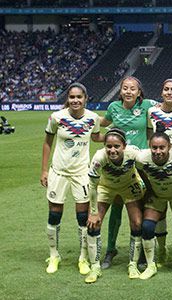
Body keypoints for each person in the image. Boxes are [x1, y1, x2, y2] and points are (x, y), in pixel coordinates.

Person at [41, 83, 102, 275]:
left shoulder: (92, 118)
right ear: (68, 98)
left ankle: (83, 258)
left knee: (82, 217)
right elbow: (47, 143)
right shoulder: (57, 118)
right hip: (58, 172)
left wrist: (121, 129)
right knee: (54, 214)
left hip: (82, 173)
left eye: (79, 97)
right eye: (72, 97)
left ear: (85, 98)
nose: (75, 100)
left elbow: (97, 137)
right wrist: (44, 171)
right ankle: (54, 255)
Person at [99, 76, 156, 269]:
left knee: (138, 209)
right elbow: (101, 124)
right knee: (116, 207)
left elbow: (168, 102)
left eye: (133, 88)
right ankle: (111, 248)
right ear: (120, 90)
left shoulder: (147, 105)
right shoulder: (113, 108)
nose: (129, 91)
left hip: (139, 166)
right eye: (125, 88)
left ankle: (139, 252)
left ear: (139, 92)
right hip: (117, 164)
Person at [86, 128, 145, 283]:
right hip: (106, 187)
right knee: (93, 223)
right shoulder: (99, 158)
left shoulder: (133, 153)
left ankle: (132, 264)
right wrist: (93, 212)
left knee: (137, 222)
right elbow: (92, 186)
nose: (112, 150)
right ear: (104, 146)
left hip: (129, 185)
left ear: (124, 146)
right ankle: (95, 266)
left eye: (116, 146)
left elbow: (147, 165)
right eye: (109, 146)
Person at [135, 130, 172, 280]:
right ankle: (152, 264)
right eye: (154, 148)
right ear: (149, 146)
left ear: (169, 146)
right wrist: (149, 189)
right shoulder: (141, 158)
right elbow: (140, 171)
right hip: (157, 195)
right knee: (147, 227)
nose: (158, 151)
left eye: (162, 148)